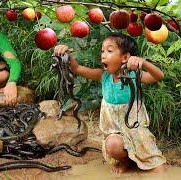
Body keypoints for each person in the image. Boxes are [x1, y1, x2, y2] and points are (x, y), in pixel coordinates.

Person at [54, 33, 166, 173]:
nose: (103, 55)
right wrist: (66, 54)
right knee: (113, 145)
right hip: (115, 133)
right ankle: (126, 161)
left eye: (109, 50)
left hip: (137, 133)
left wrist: (143, 63)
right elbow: (76, 68)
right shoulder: (103, 76)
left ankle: (137, 158)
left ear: (125, 57)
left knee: (159, 170)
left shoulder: (134, 76)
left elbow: (159, 76)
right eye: (102, 51)